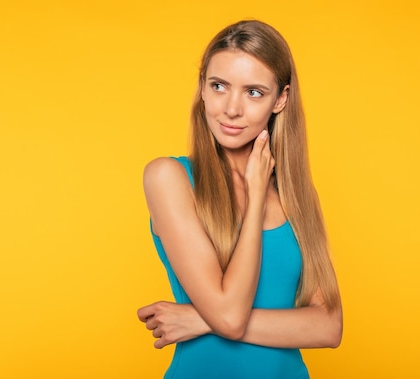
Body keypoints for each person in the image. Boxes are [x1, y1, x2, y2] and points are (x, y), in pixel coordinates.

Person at [137, 20, 342, 379]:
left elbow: (328, 327)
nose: (232, 109)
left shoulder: (297, 195)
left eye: (254, 92)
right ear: (202, 87)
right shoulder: (169, 178)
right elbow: (229, 318)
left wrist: (200, 319)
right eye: (219, 86)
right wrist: (257, 193)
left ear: (281, 99)